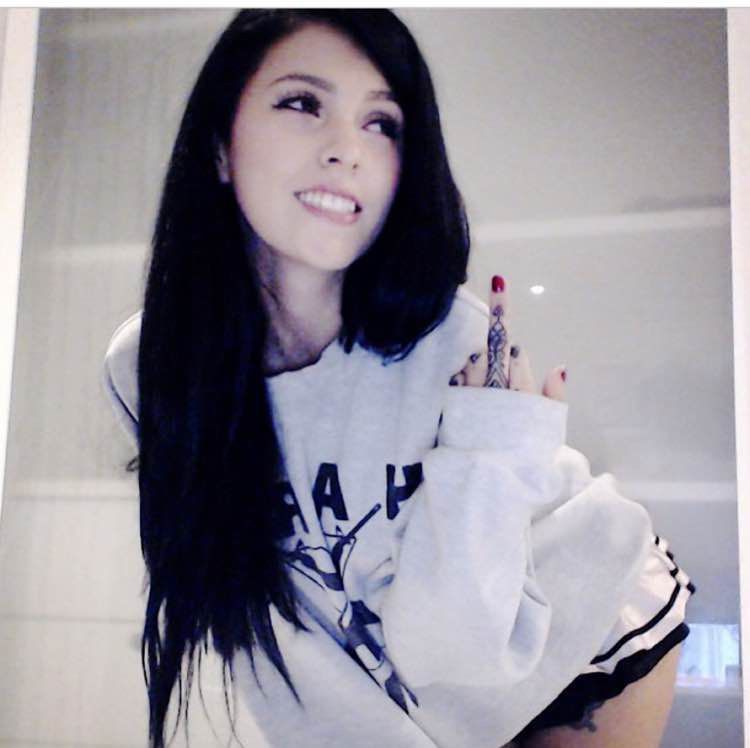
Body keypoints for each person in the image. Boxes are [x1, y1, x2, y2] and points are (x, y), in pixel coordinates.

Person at [102, 9, 694, 748]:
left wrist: (493, 453)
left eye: (381, 123)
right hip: (416, 678)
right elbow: (264, 616)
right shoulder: (154, 363)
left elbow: (461, 642)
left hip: (582, 630)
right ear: (220, 145)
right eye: (302, 103)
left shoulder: (447, 340)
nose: (346, 149)